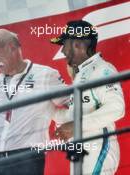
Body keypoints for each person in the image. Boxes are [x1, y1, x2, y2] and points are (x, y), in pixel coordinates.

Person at [0, 28, 69, 175]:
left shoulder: (45, 75)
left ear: (12, 48)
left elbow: (75, 104)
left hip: (27, 158)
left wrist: (71, 125)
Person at [51, 20, 125, 174]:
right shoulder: (81, 76)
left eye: (64, 45)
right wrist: (46, 110)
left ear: (77, 45)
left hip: (98, 147)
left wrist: (75, 126)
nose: (63, 51)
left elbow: (117, 108)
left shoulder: (102, 69)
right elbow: (75, 115)